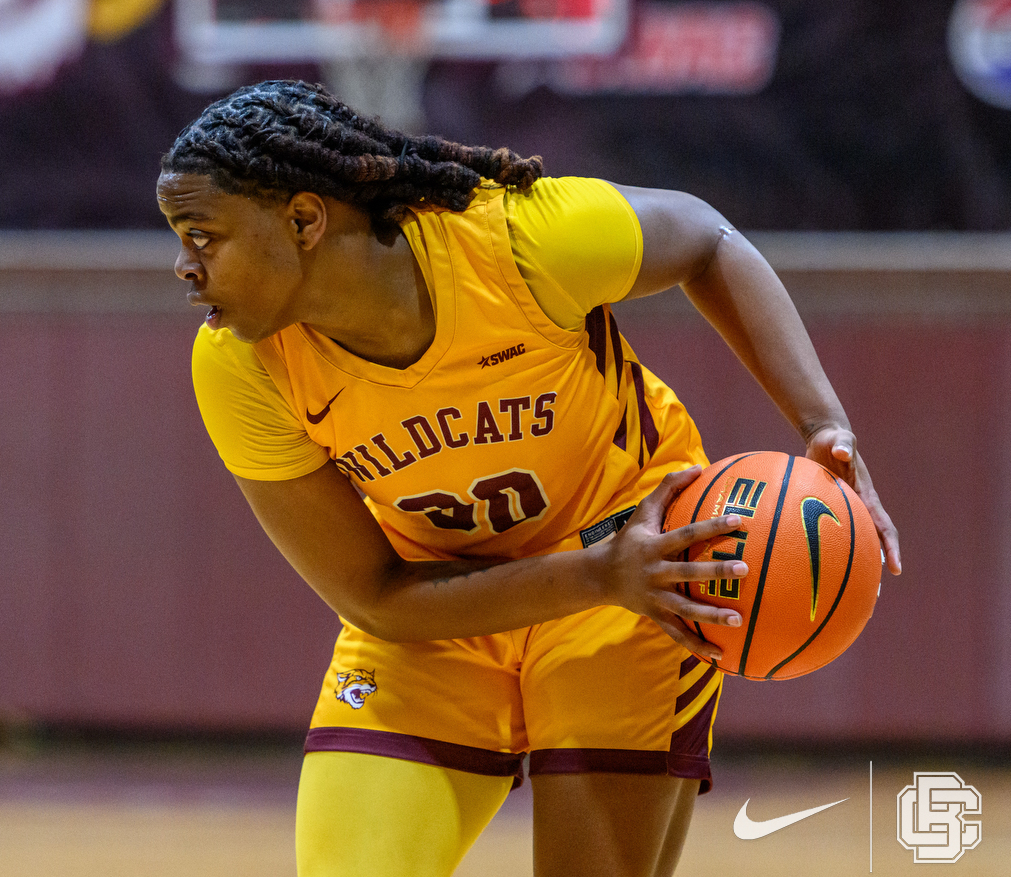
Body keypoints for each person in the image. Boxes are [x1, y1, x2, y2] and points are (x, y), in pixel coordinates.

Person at [156, 79, 900, 877]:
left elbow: (706, 239)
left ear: (304, 220)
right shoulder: (240, 366)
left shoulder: (515, 240)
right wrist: (591, 575)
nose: (184, 267)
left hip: (639, 567)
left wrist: (823, 424)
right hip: (444, 604)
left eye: (204, 236)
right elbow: (374, 596)